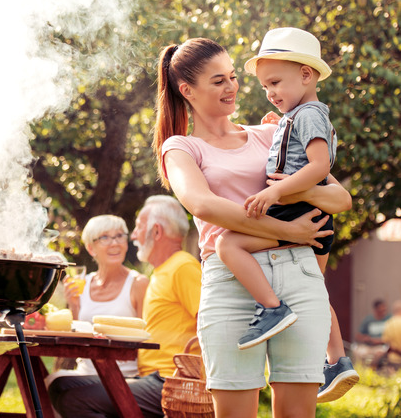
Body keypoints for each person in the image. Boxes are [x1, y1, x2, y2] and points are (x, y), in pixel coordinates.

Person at [155, 37, 353, 416]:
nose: (232, 87)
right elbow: (203, 204)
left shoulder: (270, 134)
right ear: (187, 90)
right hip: (231, 282)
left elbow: (339, 199)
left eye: (232, 77)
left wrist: (299, 200)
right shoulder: (181, 148)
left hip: (298, 277)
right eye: (218, 81)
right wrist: (285, 232)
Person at [217, 27, 359, 402]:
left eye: (276, 82)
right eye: (265, 86)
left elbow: (318, 165)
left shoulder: (310, 114)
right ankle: (337, 360)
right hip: (312, 215)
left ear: (307, 75)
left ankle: (272, 308)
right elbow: (297, 153)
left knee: (229, 243)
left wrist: (275, 191)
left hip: (298, 211)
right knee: (316, 285)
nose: (271, 92)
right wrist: (276, 126)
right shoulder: (299, 115)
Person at [48, 195, 202, 417]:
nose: (133, 236)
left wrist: (198, 376)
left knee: (75, 401)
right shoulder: (162, 271)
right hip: (149, 376)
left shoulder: (183, 267)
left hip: (169, 381)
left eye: (138, 228)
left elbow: (210, 324)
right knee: (59, 386)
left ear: (156, 232)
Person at [58, 214, 149, 377]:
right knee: (45, 383)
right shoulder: (82, 283)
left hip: (124, 376)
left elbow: (146, 337)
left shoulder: (138, 283)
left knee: (56, 384)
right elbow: (77, 337)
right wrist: (74, 305)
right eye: (105, 237)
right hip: (85, 372)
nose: (114, 243)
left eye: (119, 236)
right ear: (91, 248)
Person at [352, 299, 391, 365]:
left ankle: (372, 370)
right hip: (368, 346)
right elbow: (358, 336)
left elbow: (391, 337)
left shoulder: (389, 320)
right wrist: (366, 338)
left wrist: (379, 341)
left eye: (384, 310)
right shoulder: (368, 320)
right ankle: (362, 371)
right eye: (380, 311)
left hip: (381, 346)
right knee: (358, 351)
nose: (383, 313)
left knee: (379, 353)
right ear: (375, 310)